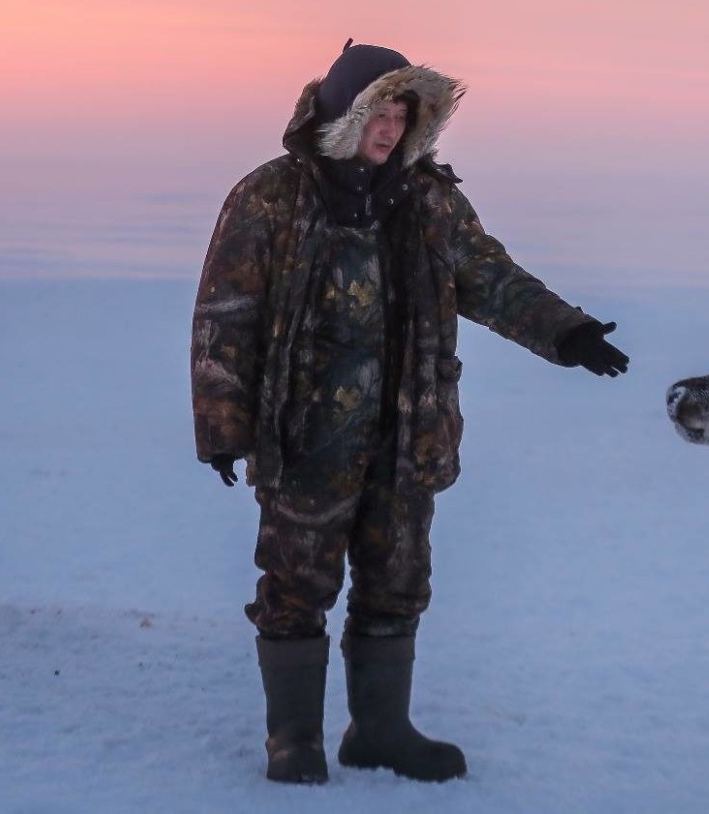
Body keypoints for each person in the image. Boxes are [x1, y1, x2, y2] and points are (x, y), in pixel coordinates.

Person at [190, 41, 628, 786]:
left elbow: (489, 276)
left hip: (407, 431)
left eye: (401, 115)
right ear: (341, 112)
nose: (389, 129)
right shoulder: (269, 196)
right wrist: (223, 428)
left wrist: (567, 332)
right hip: (306, 437)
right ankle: (293, 739)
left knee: (397, 577)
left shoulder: (428, 198)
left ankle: (380, 731)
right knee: (296, 583)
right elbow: (226, 315)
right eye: (377, 112)